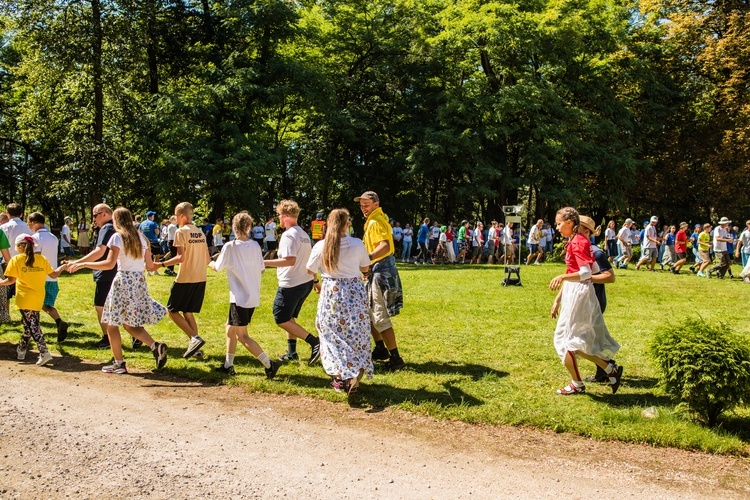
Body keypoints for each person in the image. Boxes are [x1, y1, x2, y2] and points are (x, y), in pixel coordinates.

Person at [68, 207, 168, 374]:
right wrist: (167, 263)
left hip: (123, 281)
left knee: (112, 325)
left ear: (116, 220)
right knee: (129, 324)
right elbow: (150, 266)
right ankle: (155, 346)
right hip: (139, 281)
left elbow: (109, 263)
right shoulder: (141, 238)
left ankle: (119, 363)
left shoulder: (117, 237)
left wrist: (83, 264)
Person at [549, 207, 622, 396]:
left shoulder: (577, 242)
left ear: (570, 223)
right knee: (573, 342)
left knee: (565, 342)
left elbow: (586, 273)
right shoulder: (579, 241)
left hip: (578, 292)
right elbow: (594, 267)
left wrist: (563, 277)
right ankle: (607, 369)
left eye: (559, 223)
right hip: (578, 291)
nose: (557, 227)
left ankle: (578, 383)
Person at [307, 208, 373, 395]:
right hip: (354, 292)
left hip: (331, 293)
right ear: (346, 224)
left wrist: (316, 281)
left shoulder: (321, 246)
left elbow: (309, 269)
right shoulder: (356, 243)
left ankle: (339, 377)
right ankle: (353, 377)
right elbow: (365, 266)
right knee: (356, 334)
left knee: (330, 334)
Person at [209, 212, 281, 379]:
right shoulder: (256, 246)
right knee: (229, 328)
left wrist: (209, 261)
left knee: (242, 335)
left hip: (239, 297)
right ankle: (228, 365)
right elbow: (262, 269)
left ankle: (269, 364)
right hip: (251, 295)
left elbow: (217, 267)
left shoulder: (230, 247)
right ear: (249, 227)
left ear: (234, 227)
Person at [264, 200, 321, 364]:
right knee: (289, 318)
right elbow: (309, 260)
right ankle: (291, 353)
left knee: (281, 318)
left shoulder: (289, 235)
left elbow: (289, 260)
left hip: (291, 284)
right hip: (305, 282)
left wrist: (265, 262)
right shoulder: (303, 234)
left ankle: (314, 342)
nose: (279, 219)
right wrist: (315, 280)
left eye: (280, 215)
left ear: (287, 216)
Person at [356, 191, 405, 371]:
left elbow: (384, 245)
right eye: (361, 205)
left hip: (381, 270)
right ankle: (380, 349)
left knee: (379, 315)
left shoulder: (376, 222)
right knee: (369, 312)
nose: (363, 208)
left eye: (366, 205)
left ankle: (396, 359)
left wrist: (367, 259)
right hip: (376, 269)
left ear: (376, 204)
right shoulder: (375, 219)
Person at [0, 234, 67, 366]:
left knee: (33, 325)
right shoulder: (41, 259)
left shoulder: (16, 260)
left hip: (24, 298)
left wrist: (0, 283)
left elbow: (11, 280)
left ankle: (44, 352)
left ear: (20, 246)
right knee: (29, 324)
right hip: (38, 297)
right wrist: (62, 267)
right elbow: (53, 274)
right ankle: (22, 348)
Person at [160, 202, 211, 358]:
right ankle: (197, 349)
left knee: (172, 310)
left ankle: (195, 339)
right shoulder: (200, 232)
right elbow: (207, 259)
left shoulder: (180, 232)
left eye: (176, 215)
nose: (175, 218)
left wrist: (160, 263)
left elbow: (180, 257)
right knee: (188, 312)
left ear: (181, 216)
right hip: (200, 277)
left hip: (184, 278)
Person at [68, 204, 118, 348]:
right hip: (114, 271)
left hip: (106, 273)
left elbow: (99, 252)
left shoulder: (107, 228)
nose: (93, 219)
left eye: (95, 215)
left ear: (104, 214)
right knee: (118, 305)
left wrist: (78, 262)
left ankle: (107, 338)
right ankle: (136, 334)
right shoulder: (116, 227)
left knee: (100, 306)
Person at [578, 216, 617, 384]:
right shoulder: (581, 250)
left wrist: (588, 278)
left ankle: (609, 367)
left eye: (576, 227)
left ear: (587, 231)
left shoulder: (597, 252)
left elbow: (610, 277)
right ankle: (605, 370)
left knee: (584, 338)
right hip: (583, 300)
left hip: (595, 301)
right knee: (590, 337)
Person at [28, 212, 69, 342]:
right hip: (53, 276)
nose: (28, 225)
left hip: (39, 277)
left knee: (33, 305)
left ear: (34, 222)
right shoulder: (53, 237)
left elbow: (36, 257)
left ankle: (33, 331)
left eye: (29, 223)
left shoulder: (34, 238)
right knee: (46, 304)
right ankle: (59, 322)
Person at [140, 211, 161, 275]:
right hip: (153, 241)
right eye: (153, 216)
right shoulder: (153, 223)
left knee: (147, 256)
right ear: (151, 216)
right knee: (157, 255)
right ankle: (155, 270)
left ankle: (148, 271)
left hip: (145, 241)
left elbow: (139, 232)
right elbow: (157, 232)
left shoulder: (142, 223)